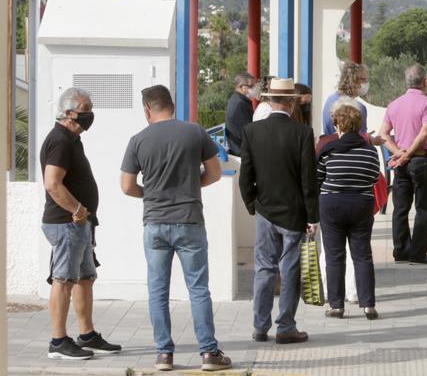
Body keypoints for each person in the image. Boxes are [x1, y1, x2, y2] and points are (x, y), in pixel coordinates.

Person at [120, 86, 231, 372]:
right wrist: (192, 186)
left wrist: (151, 194)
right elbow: (216, 173)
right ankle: (208, 353)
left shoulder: (138, 140)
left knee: (157, 291)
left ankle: (164, 355)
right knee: (198, 289)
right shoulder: (194, 132)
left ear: (147, 109)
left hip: (155, 222)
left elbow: (127, 186)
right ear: (172, 104)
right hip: (189, 220)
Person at [39, 88, 122, 361]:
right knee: (63, 279)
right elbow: (52, 183)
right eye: (86, 109)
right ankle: (58, 341)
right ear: (70, 112)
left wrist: (84, 216)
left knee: (85, 278)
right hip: (66, 223)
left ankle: (87, 335)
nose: (90, 114)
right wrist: (77, 210)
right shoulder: (60, 140)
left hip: (79, 224)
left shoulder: (72, 139)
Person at [238, 78, 318, 345]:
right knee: (290, 268)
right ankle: (286, 326)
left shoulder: (251, 131)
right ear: (293, 102)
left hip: (264, 211)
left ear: (269, 100)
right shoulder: (303, 134)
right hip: (294, 213)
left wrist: (252, 204)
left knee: (264, 268)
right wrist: (312, 217)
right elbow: (308, 180)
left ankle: (260, 326)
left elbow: (245, 176)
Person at [317, 98, 381, 320]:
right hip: (361, 205)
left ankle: (336, 306)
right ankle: (368, 305)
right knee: (362, 255)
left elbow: (317, 179)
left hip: (332, 205)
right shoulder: (370, 152)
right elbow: (374, 177)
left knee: (335, 256)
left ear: (338, 125)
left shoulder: (328, 151)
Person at [379, 63, 427, 265]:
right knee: (423, 208)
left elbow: (383, 134)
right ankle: (418, 252)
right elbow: (424, 133)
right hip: (421, 159)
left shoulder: (394, 105)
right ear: (425, 81)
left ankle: (400, 251)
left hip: (401, 163)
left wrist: (399, 153)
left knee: (401, 207)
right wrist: (408, 154)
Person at [322, 61, 369, 136]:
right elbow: (360, 137)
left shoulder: (329, 100)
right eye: (363, 79)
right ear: (352, 80)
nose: (366, 83)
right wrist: (370, 139)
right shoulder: (358, 108)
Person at [223, 72, 256, 157]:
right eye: (251, 86)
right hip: (242, 152)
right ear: (241, 87)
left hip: (241, 149)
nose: (254, 89)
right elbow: (246, 132)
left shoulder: (238, 100)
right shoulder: (239, 104)